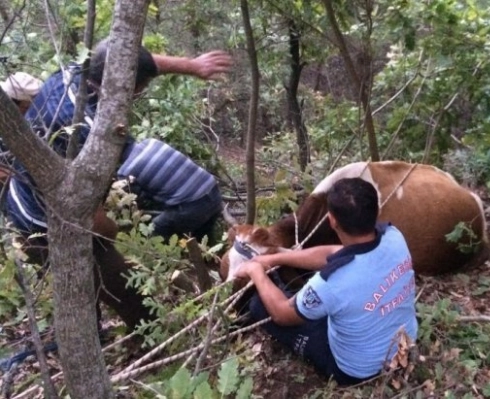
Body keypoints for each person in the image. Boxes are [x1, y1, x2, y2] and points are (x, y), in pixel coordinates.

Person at [3, 38, 232, 331]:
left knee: (101, 276)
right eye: (140, 89)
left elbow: (129, 62)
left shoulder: (71, 72)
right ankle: (123, 341)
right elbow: (91, 218)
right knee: (127, 295)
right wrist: (117, 234)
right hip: (42, 224)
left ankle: (96, 326)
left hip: (27, 198)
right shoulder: (93, 133)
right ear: (130, 88)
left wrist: (193, 65)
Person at [235, 178, 418, 385]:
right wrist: (276, 257)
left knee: (260, 305)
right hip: (405, 343)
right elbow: (334, 253)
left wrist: (255, 270)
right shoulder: (393, 236)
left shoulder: (330, 283)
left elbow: (281, 314)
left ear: (332, 220)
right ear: (375, 211)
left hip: (357, 371)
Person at [117, 138, 222, 245]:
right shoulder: (151, 141)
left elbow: (134, 201)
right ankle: (209, 259)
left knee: (157, 229)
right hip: (213, 189)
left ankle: (163, 259)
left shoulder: (125, 171)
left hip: (192, 206)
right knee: (204, 240)